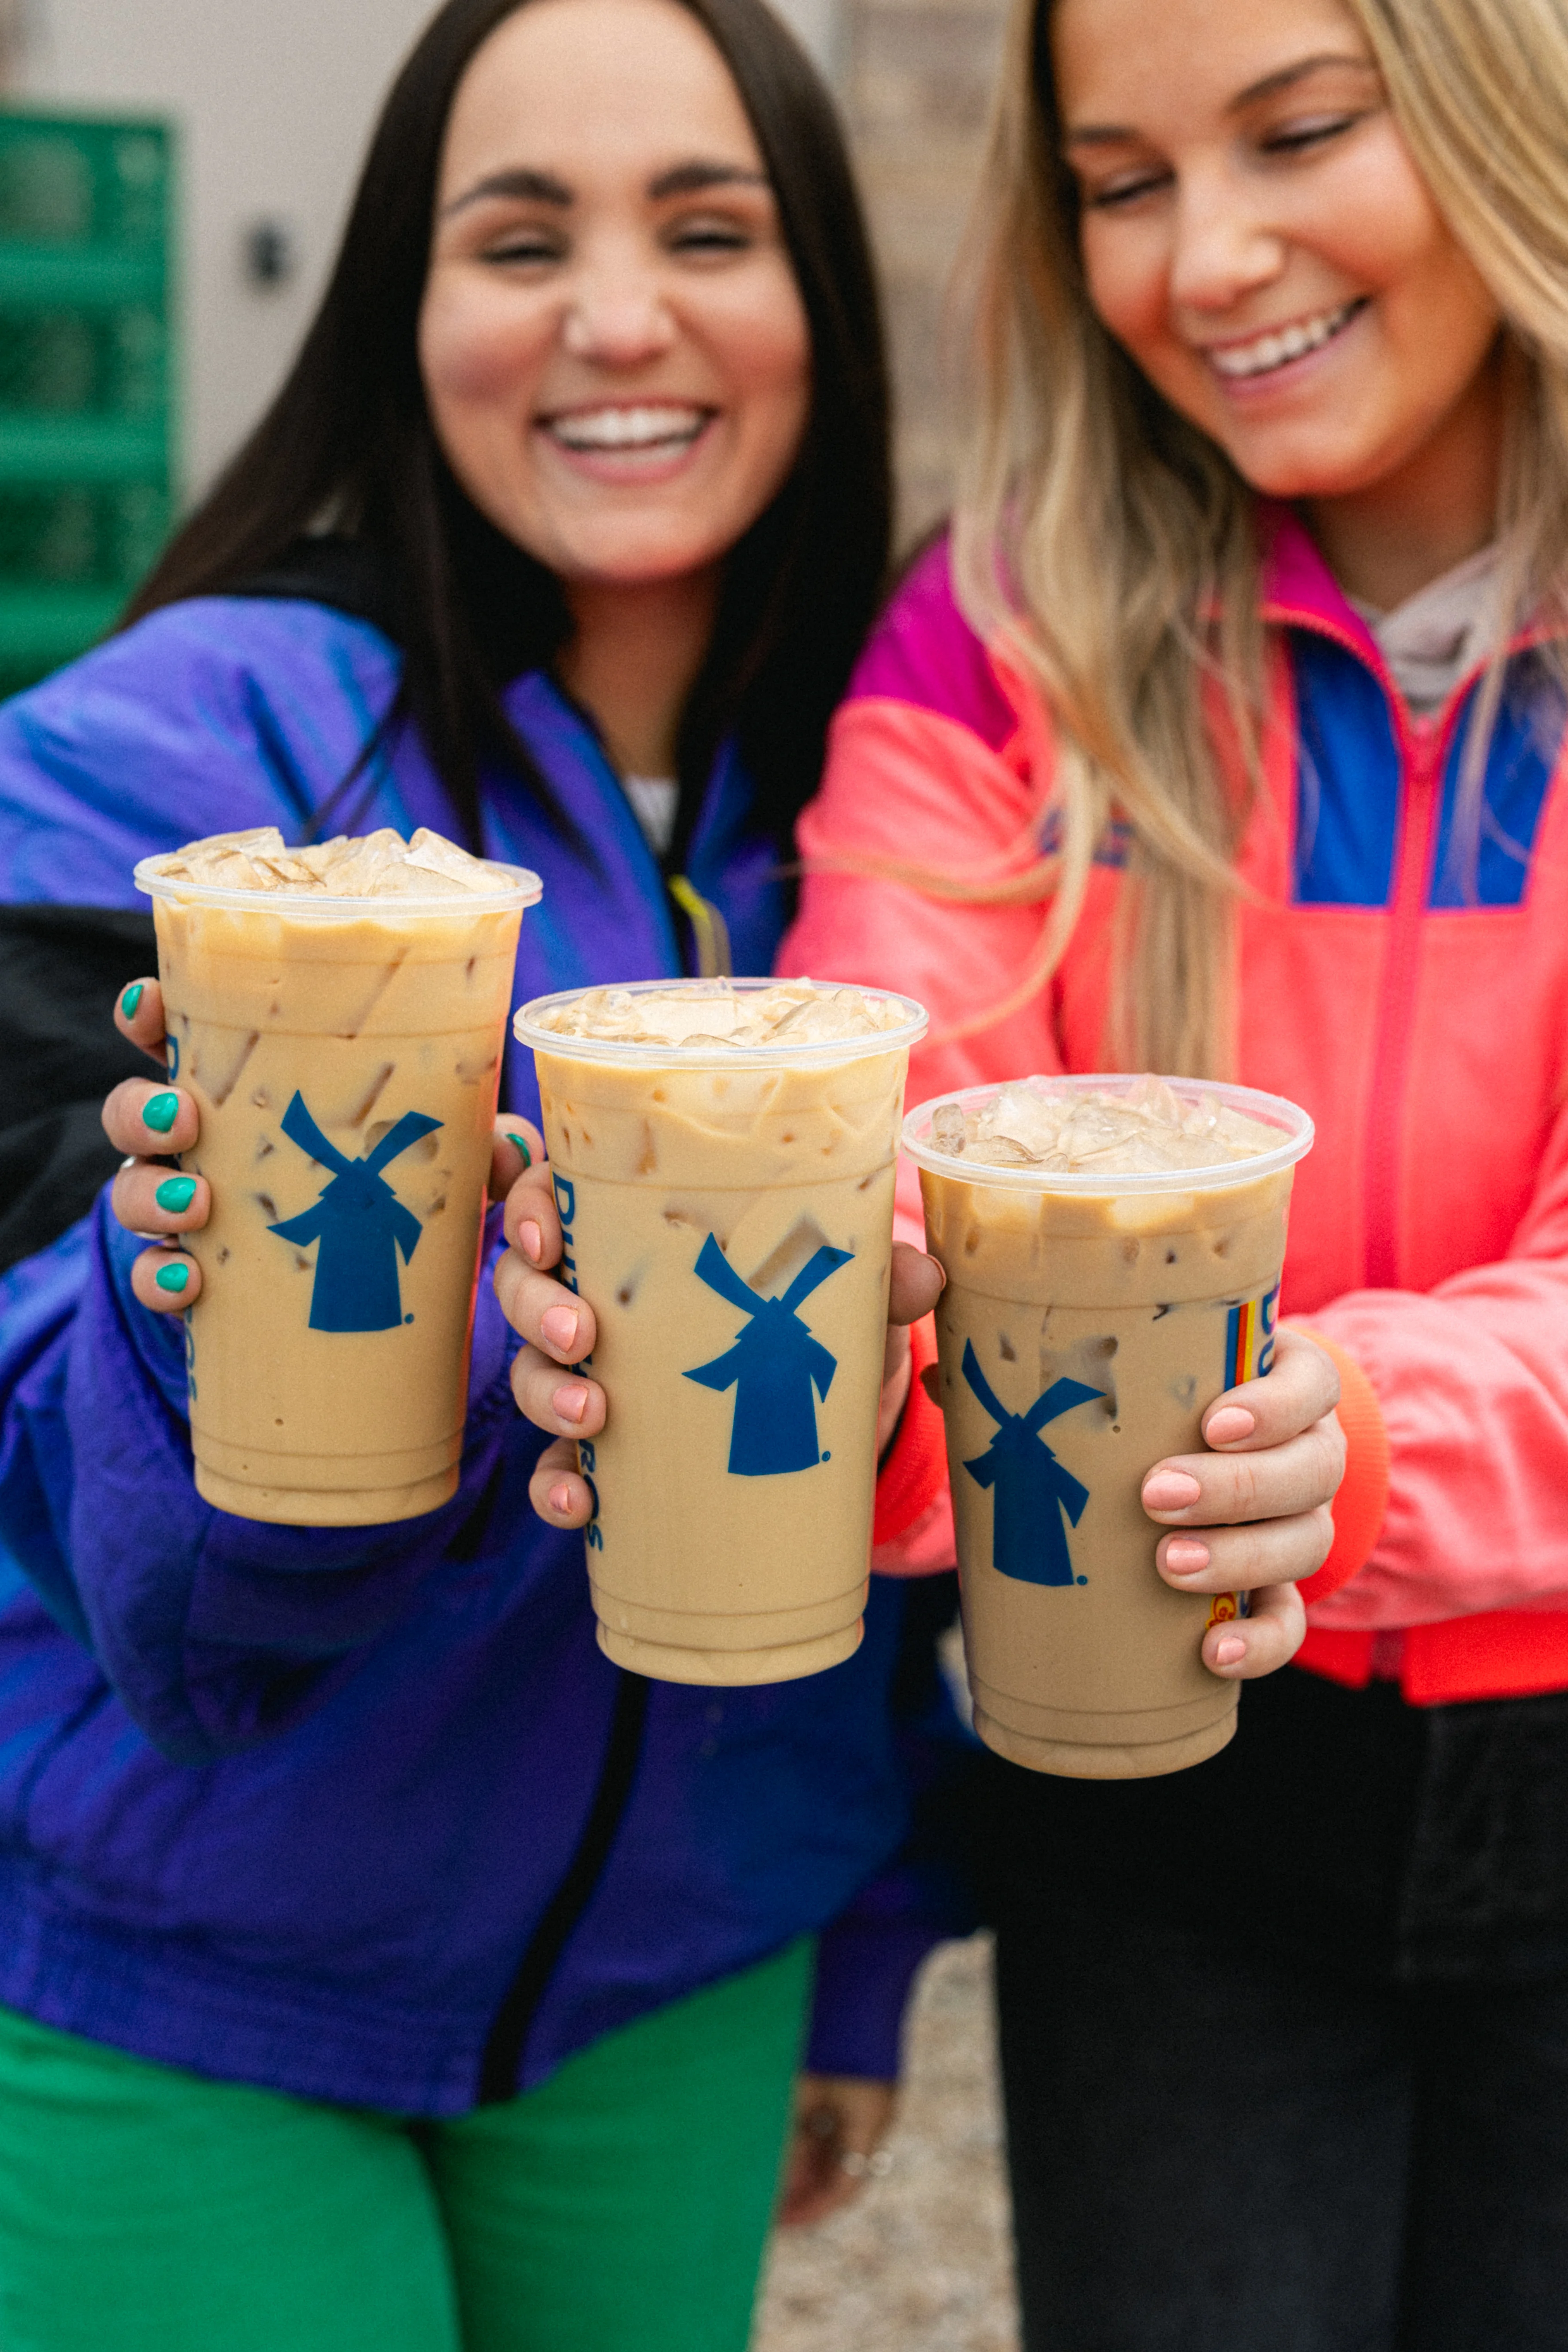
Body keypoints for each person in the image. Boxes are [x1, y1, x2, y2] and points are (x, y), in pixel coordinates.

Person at [0, 0, 965, 2343]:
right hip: (171, 1991)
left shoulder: (901, 791)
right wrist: (209, 1296)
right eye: (518, 238)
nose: (616, 317)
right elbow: (28, 1361)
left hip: (678, 1989)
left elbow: (893, 1427)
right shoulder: (202, 744)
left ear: (821, 301)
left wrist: (855, 1937)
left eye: (707, 230)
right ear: (400, 311)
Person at [779, 0, 1568, 2344]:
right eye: (1122, 182)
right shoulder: (995, 634)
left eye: (1300, 133)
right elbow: (900, 1123)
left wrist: (1369, 1438)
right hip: (1160, 1779)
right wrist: (795, 1327)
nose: (1205, 260)